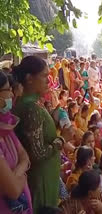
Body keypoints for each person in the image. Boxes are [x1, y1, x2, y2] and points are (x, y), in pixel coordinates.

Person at [13, 56, 73, 213]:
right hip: (41, 179)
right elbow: (37, 154)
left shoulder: (28, 105)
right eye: (44, 75)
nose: (49, 80)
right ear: (29, 79)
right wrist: (63, 139)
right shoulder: (31, 110)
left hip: (43, 176)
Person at [0, 71, 32, 213]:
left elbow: (24, 156)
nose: (12, 95)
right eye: (7, 90)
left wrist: (15, 175)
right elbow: (13, 190)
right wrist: (22, 174)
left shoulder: (6, 127)